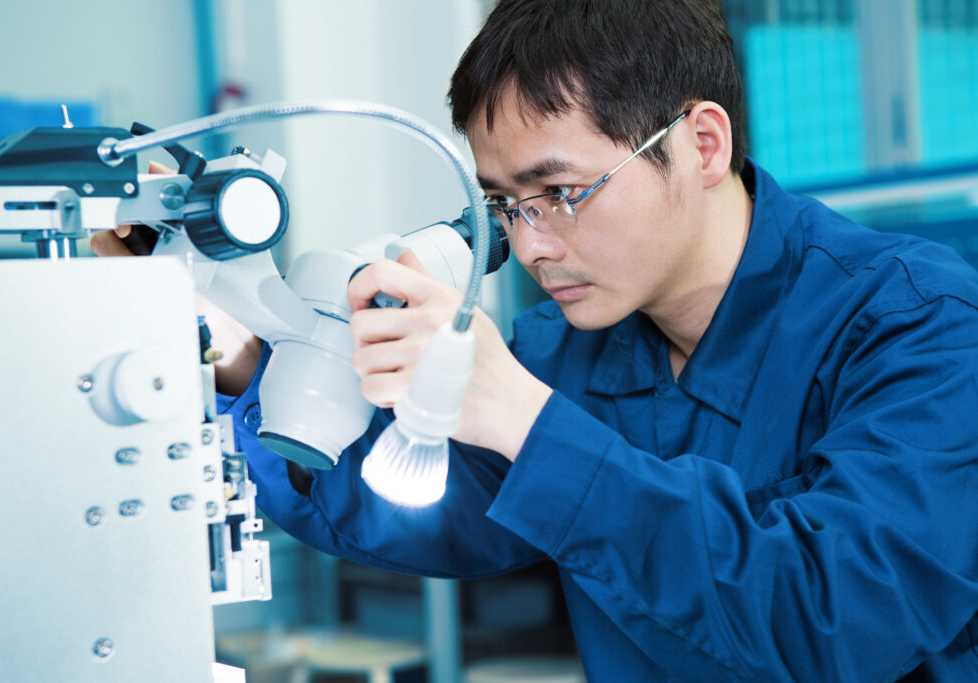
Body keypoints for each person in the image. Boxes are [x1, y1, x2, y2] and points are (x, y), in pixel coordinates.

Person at [93, 0, 978, 679]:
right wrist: (249, 362)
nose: (530, 244)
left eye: (561, 192)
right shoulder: (569, 344)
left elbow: (833, 618)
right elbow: (425, 509)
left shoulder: (920, 327)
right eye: (504, 204)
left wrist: (524, 417)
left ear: (702, 144)